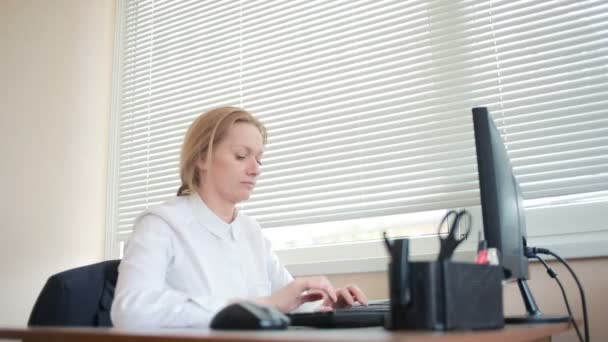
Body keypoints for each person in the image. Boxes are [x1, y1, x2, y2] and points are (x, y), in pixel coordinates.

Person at [111, 106, 368, 328]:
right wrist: (263, 305)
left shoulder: (250, 230)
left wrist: (329, 305)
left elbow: (288, 299)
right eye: (241, 156)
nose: (256, 169)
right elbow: (130, 310)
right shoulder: (160, 224)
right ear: (202, 157)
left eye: (259, 158)